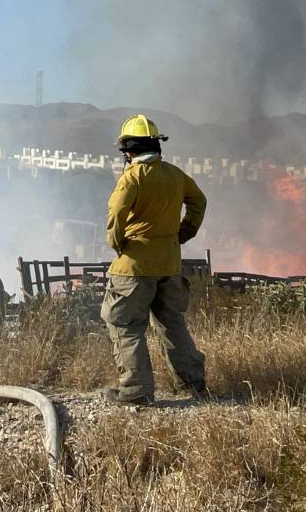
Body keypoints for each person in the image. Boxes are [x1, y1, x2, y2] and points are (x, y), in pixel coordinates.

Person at [101, 114, 208, 406]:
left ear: (128, 150)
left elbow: (115, 217)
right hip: (170, 265)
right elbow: (199, 200)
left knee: (124, 324)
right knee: (172, 323)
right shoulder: (175, 175)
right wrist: (183, 233)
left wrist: (119, 244)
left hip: (134, 267)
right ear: (156, 145)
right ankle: (193, 383)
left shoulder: (131, 178)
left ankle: (136, 391)